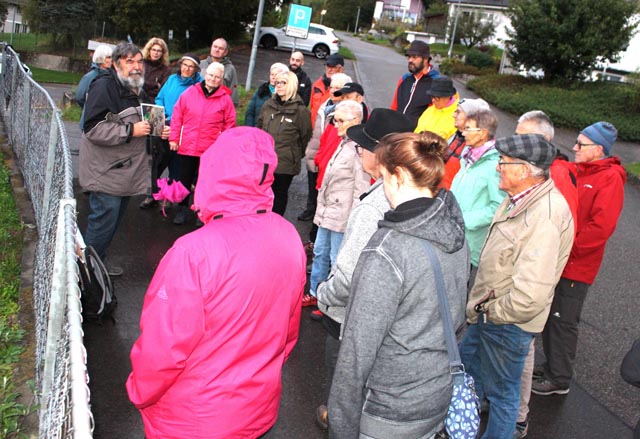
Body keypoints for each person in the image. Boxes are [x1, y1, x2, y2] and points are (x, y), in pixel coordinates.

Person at [126, 127, 306, 439]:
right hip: (256, 408)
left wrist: (139, 392)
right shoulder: (288, 235)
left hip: (193, 419)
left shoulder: (193, 252)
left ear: (214, 172)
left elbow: (164, 348)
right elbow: (287, 333)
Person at [328, 131, 470, 438]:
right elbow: (458, 316)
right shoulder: (453, 228)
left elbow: (356, 355)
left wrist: (341, 427)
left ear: (400, 175)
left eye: (383, 177)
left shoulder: (386, 251)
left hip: (389, 409)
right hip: (437, 394)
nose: (382, 187)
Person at [459, 134, 574, 439]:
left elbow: (529, 296)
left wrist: (490, 310)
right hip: (490, 314)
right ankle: (460, 427)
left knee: (502, 395)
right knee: (467, 372)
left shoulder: (544, 216)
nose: (498, 167)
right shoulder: (520, 198)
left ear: (525, 171)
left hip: (506, 322)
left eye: (504, 163)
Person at [314, 108, 413, 429]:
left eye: (362, 147)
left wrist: (323, 295)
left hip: (351, 314)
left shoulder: (374, 205)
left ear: (379, 154)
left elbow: (347, 275)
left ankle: (337, 419)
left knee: (342, 377)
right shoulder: (410, 192)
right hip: (387, 315)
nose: (357, 151)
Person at [534, 122, 626, 396]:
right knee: (552, 316)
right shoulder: (582, 170)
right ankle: (552, 366)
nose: (574, 148)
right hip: (561, 259)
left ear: (599, 150)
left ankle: (559, 378)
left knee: (563, 319)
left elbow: (600, 228)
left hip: (576, 266)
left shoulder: (610, 178)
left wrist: (567, 250)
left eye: (581, 145)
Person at [511, 109, 579, 438]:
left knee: (523, 345)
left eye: (525, 136)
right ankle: (505, 405)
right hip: (514, 274)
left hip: (530, 280)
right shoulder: (536, 173)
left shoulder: (558, 177)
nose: (518, 141)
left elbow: (556, 234)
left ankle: (518, 415)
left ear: (545, 141)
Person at [79, 42, 170, 276]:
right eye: (130, 61)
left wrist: (159, 129)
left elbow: (144, 120)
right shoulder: (104, 87)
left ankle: (97, 265)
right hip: (106, 172)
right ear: (116, 62)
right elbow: (92, 129)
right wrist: (130, 131)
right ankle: (86, 274)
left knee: (111, 225)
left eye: (139, 61)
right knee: (102, 224)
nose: (136, 66)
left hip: (124, 172)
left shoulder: (134, 87)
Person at [308, 100, 369, 306]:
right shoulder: (343, 142)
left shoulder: (360, 151)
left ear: (356, 121)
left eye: (340, 120)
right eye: (334, 120)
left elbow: (361, 190)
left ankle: (331, 303)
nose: (335, 124)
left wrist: (354, 221)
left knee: (337, 260)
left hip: (342, 217)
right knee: (319, 252)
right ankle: (315, 293)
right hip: (328, 212)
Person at [169, 62, 236, 225]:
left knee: (204, 184)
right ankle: (182, 209)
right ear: (205, 75)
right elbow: (177, 116)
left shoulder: (225, 100)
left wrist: (223, 147)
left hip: (209, 150)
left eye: (217, 77)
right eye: (211, 75)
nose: (213, 79)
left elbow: (230, 125)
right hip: (188, 146)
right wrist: (173, 138)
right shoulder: (189, 93)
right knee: (183, 180)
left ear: (221, 79)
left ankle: (201, 212)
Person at [139, 53, 203, 210]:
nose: (187, 69)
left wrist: (173, 123)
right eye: (184, 65)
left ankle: (168, 197)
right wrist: (160, 120)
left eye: (191, 66)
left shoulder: (199, 84)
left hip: (182, 129)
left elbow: (194, 109)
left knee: (176, 165)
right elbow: (159, 99)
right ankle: (152, 194)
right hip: (162, 124)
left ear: (196, 69)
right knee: (156, 162)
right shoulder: (172, 79)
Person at [450, 108, 505, 271]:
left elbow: (498, 207)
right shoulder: (468, 156)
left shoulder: (494, 165)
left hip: (468, 243)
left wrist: (463, 220)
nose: (463, 133)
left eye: (468, 129)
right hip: (452, 235)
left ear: (482, 133)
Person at [299, 73, 352, 223]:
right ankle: (311, 209)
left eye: (338, 88)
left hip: (329, 154)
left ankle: (318, 217)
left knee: (324, 189)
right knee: (312, 183)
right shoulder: (325, 105)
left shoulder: (344, 111)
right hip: (315, 149)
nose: (332, 90)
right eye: (331, 87)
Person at [257, 70, 312, 216]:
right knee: (261, 196)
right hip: (264, 161)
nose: (279, 86)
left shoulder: (301, 111)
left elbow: (305, 137)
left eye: (283, 83)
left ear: (292, 85)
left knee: (278, 197)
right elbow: (260, 128)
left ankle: (275, 228)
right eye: (277, 83)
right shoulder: (268, 105)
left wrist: (292, 154)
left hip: (285, 164)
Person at [390, 40, 441, 129]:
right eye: (409, 57)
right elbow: (394, 106)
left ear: (425, 59)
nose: (410, 60)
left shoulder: (436, 83)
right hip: (396, 132)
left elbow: (435, 116)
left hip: (416, 137)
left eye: (414, 57)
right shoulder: (404, 79)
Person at [442, 98, 490, 189]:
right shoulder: (456, 135)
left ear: (470, 118)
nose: (453, 115)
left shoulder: (478, 147)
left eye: (458, 112)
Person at [76, 44, 113, 131]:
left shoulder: (112, 76)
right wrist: (89, 106)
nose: (111, 60)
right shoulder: (90, 77)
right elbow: (80, 97)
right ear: (101, 58)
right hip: (89, 122)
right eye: (108, 57)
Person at [415, 76, 458, 144]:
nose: (433, 100)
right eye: (432, 97)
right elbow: (417, 131)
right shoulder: (429, 110)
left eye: (437, 98)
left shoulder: (458, 116)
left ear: (448, 96)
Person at [244, 62, 289, 127]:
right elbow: (250, 112)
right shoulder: (261, 91)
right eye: (271, 74)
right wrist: (250, 129)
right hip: (257, 130)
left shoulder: (286, 95)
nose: (273, 77)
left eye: (276, 74)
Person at [200, 37, 239, 106]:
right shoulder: (200, 64)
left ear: (225, 52)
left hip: (218, 107)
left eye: (221, 48)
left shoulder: (230, 69)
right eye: (215, 47)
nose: (217, 50)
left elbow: (233, 91)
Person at [310, 53, 344, 129]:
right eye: (327, 66)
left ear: (341, 69)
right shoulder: (317, 84)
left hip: (330, 132)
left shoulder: (346, 88)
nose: (329, 69)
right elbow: (311, 107)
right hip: (313, 130)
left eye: (333, 67)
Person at [141, 37, 170, 102]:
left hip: (155, 102)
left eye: (159, 51)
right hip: (139, 100)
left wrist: (145, 86)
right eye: (154, 50)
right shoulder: (141, 64)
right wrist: (155, 85)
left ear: (163, 53)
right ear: (149, 50)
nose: (156, 53)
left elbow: (162, 91)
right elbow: (137, 84)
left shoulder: (165, 70)